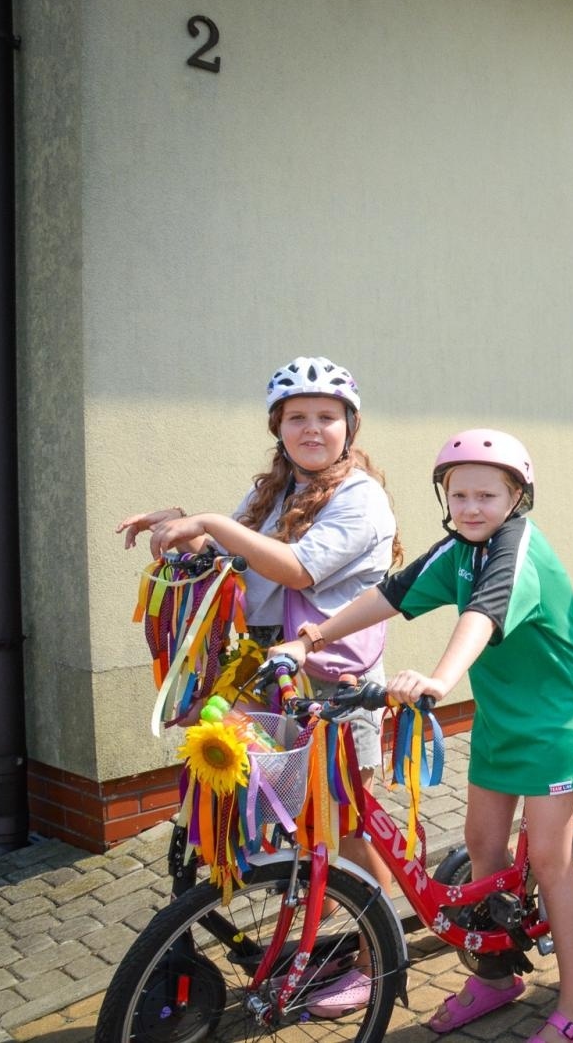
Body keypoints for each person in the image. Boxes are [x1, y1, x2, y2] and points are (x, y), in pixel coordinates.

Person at [271, 429, 573, 1042]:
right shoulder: (458, 550)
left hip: (559, 719)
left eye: (488, 495)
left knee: (553, 863)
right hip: (503, 715)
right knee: (483, 845)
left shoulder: (516, 548)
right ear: (444, 497)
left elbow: (483, 614)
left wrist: (439, 679)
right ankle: (498, 978)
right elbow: (389, 596)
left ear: (516, 498)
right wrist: (309, 640)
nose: (472, 508)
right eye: (460, 495)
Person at [117, 356, 401, 1014]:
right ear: (279, 429)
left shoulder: (361, 496)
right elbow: (234, 555)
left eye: (325, 417)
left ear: (348, 427)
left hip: (335, 685)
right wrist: (184, 524)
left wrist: (214, 522)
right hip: (270, 678)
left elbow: (299, 570)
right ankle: (316, 928)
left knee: (350, 824)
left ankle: (374, 957)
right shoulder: (274, 491)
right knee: (299, 818)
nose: (311, 429)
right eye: (296, 418)